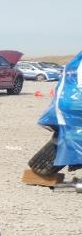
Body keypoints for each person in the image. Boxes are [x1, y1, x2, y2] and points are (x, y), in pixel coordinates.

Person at [29, 49, 82, 186]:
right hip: (76, 104)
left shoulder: (76, 61)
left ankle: (41, 171)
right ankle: (42, 171)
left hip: (67, 102)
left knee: (71, 137)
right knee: (74, 138)